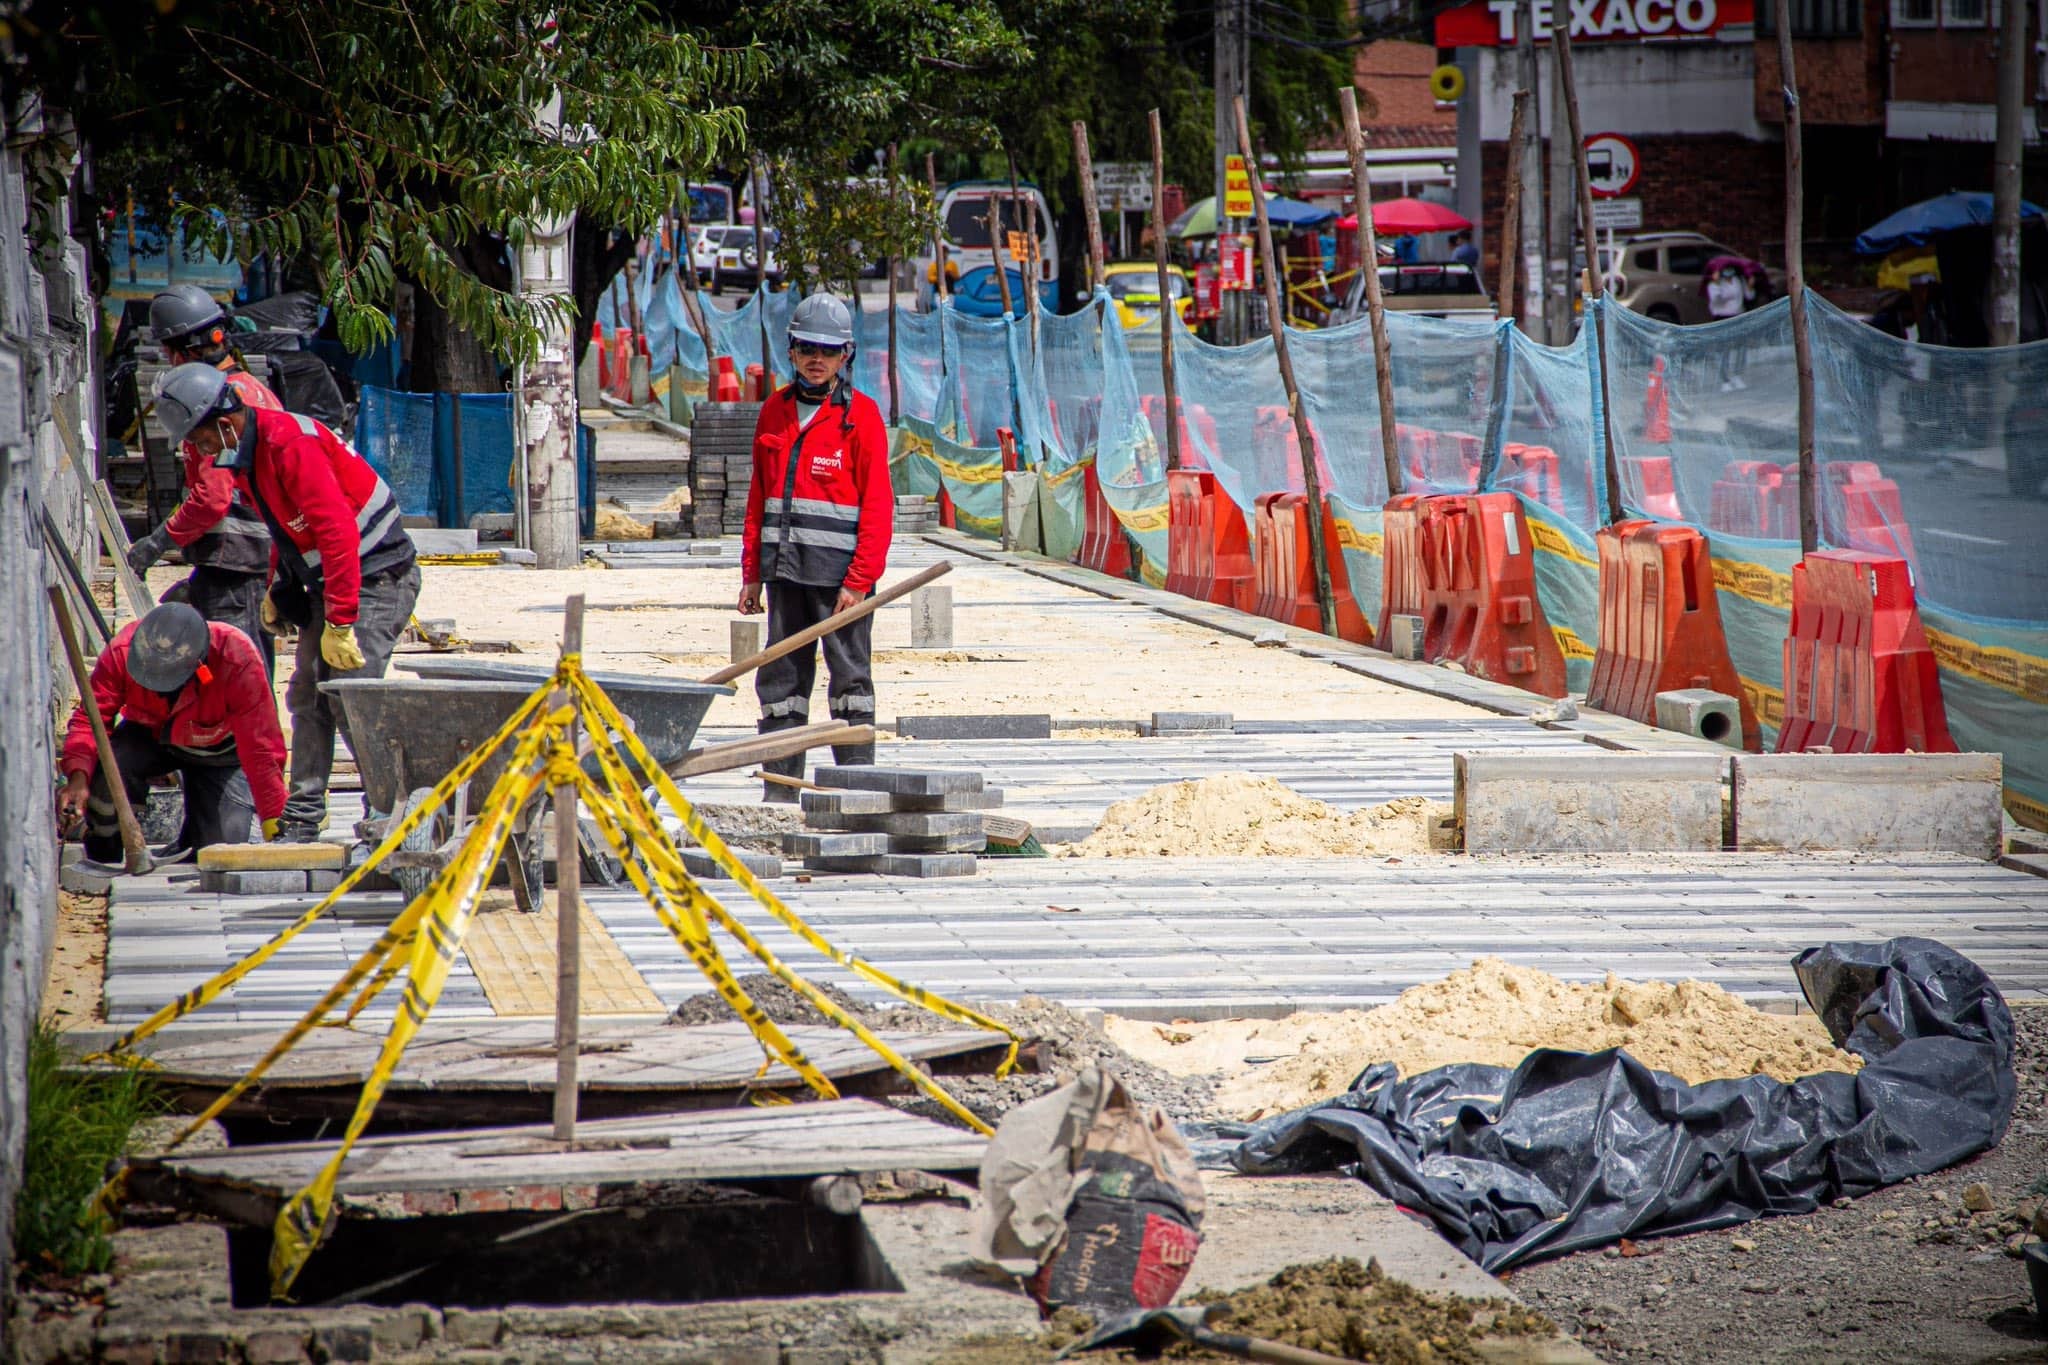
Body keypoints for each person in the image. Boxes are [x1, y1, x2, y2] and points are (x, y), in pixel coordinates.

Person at [152, 363, 419, 841]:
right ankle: (303, 813)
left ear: (225, 423)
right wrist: (279, 584)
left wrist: (341, 621)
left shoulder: (289, 444)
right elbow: (286, 525)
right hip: (334, 581)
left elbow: (336, 533)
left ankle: (388, 811)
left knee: (351, 695)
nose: (202, 451)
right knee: (308, 694)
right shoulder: (250, 455)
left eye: (201, 440)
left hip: (377, 576)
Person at [738, 293, 892, 801]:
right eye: (807, 348)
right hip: (784, 574)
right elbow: (758, 499)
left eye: (828, 350)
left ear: (846, 354)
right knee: (781, 682)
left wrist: (859, 582)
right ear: (792, 350)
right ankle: (780, 790)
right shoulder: (774, 413)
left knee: (850, 682)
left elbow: (878, 508)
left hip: (840, 582)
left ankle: (857, 790)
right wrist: (751, 574)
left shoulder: (861, 417)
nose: (817, 359)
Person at [125, 285, 283, 674]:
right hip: (254, 558)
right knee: (249, 663)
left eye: (168, 354)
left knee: (238, 673)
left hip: (236, 563)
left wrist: (157, 542)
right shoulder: (252, 389)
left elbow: (213, 497)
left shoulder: (213, 404)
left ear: (183, 352)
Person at [56, 603, 288, 863]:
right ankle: (104, 856)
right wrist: (78, 778)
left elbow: (261, 748)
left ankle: (193, 839)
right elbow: (90, 721)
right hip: (150, 737)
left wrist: (275, 824)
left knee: (220, 851)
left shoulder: (236, 656)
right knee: (110, 775)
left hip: (218, 751)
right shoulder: (122, 651)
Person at [1706, 263, 1750, 390]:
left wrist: (1750, 285)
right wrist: (1717, 284)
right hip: (1722, 318)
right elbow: (1717, 300)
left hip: (1738, 316)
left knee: (1741, 347)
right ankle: (1725, 380)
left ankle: (1737, 375)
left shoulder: (1738, 280)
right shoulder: (1713, 285)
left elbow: (1748, 295)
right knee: (1724, 348)